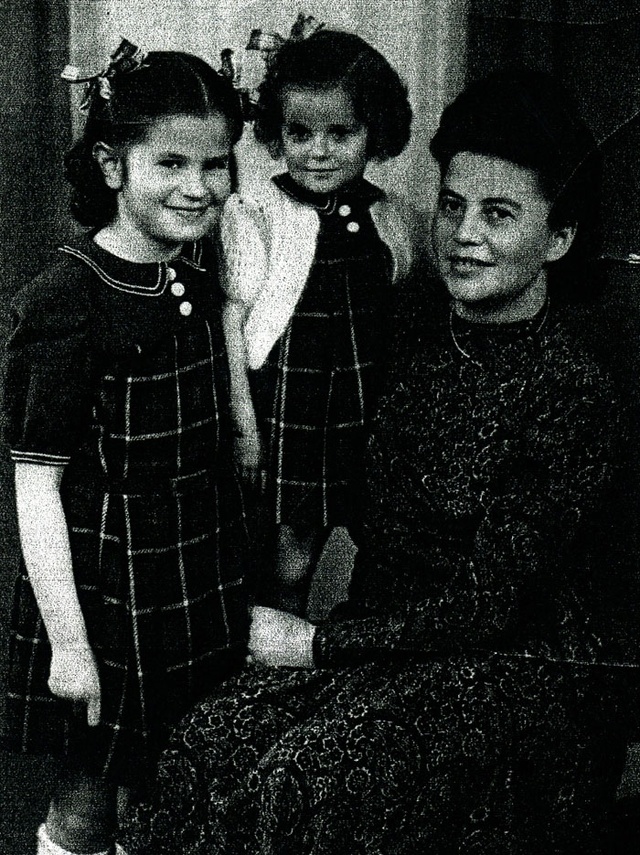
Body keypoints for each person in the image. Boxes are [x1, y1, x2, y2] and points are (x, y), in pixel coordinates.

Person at [121, 69, 636, 854]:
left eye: (499, 214)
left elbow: (488, 605)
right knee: (205, 735)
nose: (464, 234)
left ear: (558, 237)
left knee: (306, 775)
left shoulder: (570, 391)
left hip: (516, 670)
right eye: (454, 205)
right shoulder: (409, 335)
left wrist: (316, 645)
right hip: (387, 642)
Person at [1, 41, 249, 855]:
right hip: (110, 592)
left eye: (216, 164)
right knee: (90, 801)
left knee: (178, 782)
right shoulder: (68, 298)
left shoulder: (196, 268)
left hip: (193, 569)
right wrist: (70, 643)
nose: (199, 186)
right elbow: (38, 486)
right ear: (112, 164)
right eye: (171, 161)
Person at [221, 26, 418, 615]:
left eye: (341, 133)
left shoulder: (392, 217)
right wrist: (245, 426)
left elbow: (405, 311)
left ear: (374, 134)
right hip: (293, 412)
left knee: (383, 542)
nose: (318, 150)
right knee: (290, 558)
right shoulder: (256, 210)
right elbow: (234, 321)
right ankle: (274, 669)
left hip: (369, 412)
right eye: (300, 133)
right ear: (277, 134)